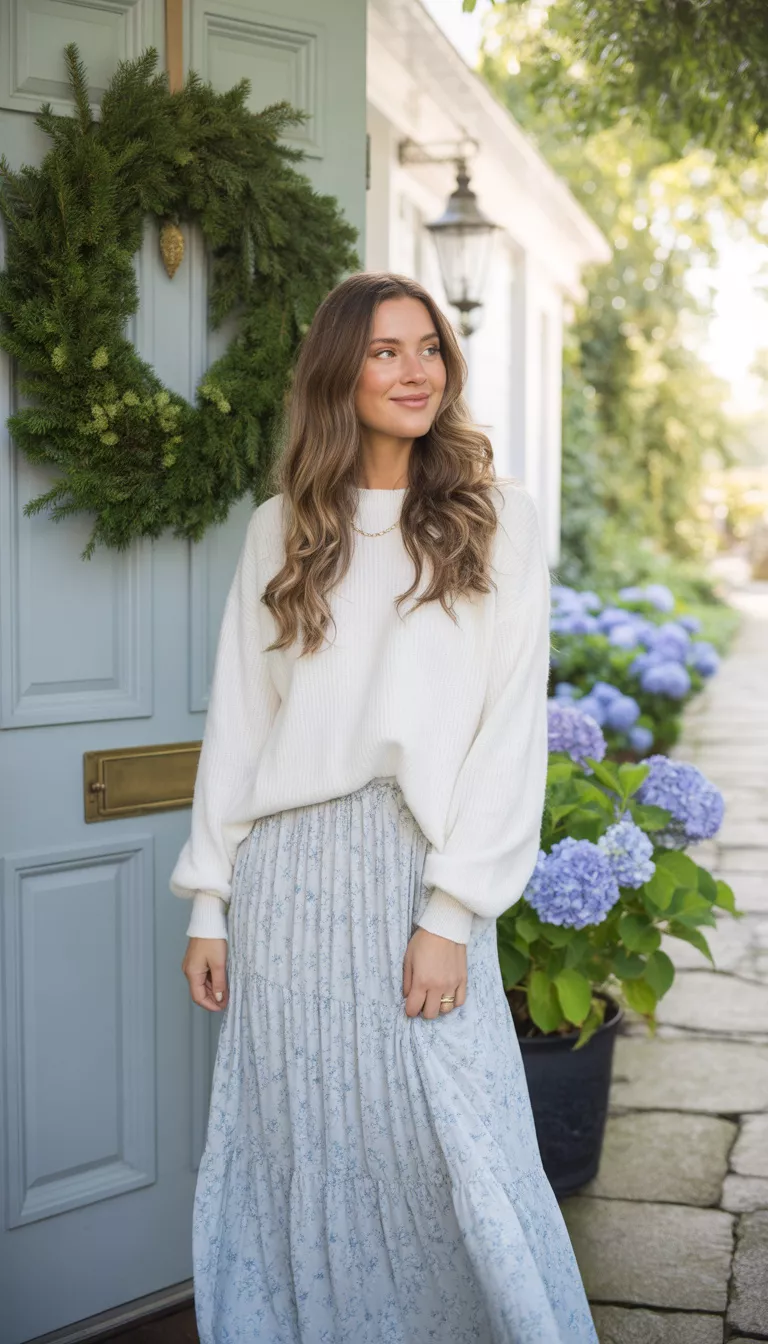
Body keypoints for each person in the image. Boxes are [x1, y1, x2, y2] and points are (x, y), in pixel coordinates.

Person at [171, 271, 597, 1344]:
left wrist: (450, 913)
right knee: (303, 1144)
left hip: (416, 871)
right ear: (338, 374)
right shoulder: (281, 530)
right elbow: (242, 721)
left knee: (451, 1142)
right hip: (288, 878)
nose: (416, 372)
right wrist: (209, 901)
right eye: (385, 351)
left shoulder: (495, 522)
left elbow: (508, 736)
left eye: (429, 349)